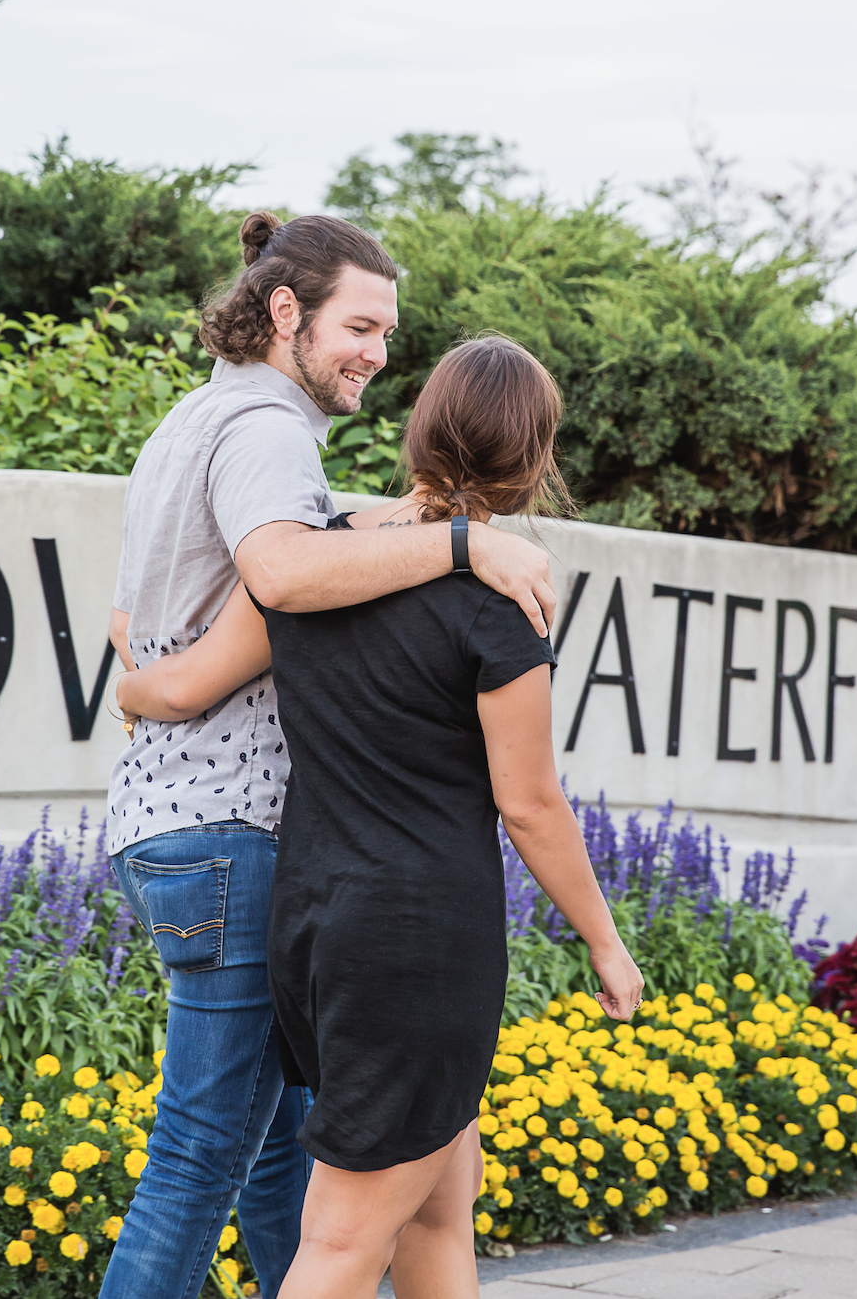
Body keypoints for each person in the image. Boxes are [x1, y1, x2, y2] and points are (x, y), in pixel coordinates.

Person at [118, 335, 645, 1299]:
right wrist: (607, 945)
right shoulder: (500, 606)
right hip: (420, 943)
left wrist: (131, 683)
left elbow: (189, 678)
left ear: (420, 431)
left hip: (317, 929)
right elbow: (528, 803)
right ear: (533, 457)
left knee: (440, 1209)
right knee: (343, 1241)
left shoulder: (323, 565)